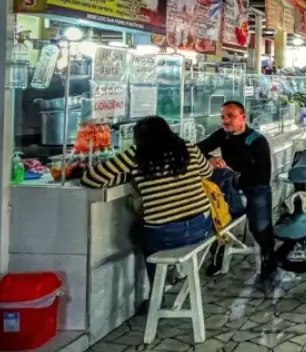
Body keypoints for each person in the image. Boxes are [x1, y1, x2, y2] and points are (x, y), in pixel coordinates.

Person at [82, 116, 213, 283]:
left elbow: (90, 179)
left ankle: (156, 286)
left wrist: (130, 176)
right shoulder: (188, 147)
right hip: (200, 227)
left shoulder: (136, 154)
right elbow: (208, 172)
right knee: (153, 231)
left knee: (136, 232)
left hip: (165, 236)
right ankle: (167, 275)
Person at [197, 101, 276, 279]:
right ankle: (218, 256)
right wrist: (210, 159)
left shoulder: (257, 141)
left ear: (243, 117)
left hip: (255, 187)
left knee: (260, 226)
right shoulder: (222, 135)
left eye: (231, 116)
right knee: (216, 218)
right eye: (223, 117)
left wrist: (234, 174)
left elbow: (262, 176)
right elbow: (197, 149)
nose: (225, 120)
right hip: (230, 187)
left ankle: (269, 259)